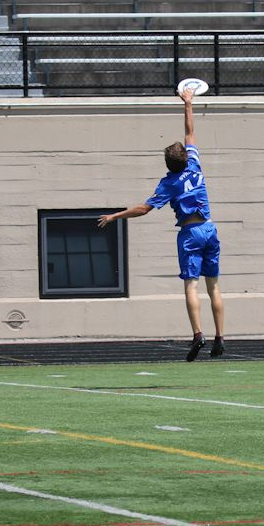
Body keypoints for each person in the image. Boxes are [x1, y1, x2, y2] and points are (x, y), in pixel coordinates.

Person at [97, 85, 225, 361]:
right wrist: (188, 102)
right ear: (185, 157)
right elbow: (190, 132)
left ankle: (198, 334)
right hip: (210, 228)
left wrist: (115, 216)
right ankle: (220, 337)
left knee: (191, 284)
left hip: (190, 233)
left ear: (168, 164)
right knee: (213, 285)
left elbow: (144, 209)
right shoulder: (195, 165)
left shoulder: (168, 184)